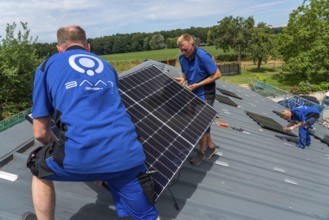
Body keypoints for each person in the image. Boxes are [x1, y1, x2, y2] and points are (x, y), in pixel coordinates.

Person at [24, 26, 160, 220]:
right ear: (87, 47)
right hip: (128, 155)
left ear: (59, 48)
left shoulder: (48, 65)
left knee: (36, 165)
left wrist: (70, 151)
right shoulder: (106, 65)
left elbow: (40, 132)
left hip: (81, 155)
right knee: (148, 216)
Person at [176, 34, 221, 165]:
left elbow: (217, 74)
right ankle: (211, 146)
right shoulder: (182, 58)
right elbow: (185, 72)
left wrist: (198, 84)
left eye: (186, 49)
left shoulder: (203, 56)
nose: (183, 52)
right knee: (204, 122)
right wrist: (183, 78)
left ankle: (201, 152)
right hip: (193, 92)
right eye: (181, 50)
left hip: (206, 92)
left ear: (192, 45)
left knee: (201, 124)